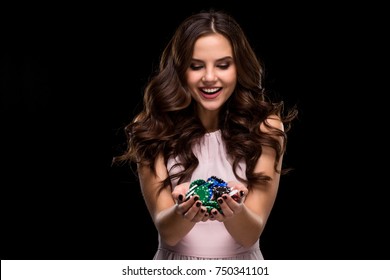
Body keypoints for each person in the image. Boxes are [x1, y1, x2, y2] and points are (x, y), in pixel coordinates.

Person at [113, 9, 298, 260]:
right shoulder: (154, 127)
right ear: (180, 70)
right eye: (196, 66)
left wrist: (233, 209)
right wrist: (182, 211)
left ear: (239, 68)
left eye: (223, 65)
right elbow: (168, 232)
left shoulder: (266, 127)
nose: (209, 78)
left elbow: (250, 234)